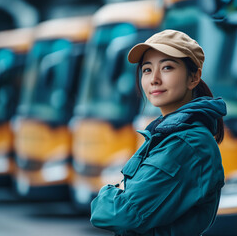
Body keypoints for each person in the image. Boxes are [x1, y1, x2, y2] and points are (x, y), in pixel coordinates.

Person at [90, 29, 227, 236]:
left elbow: (122, 214)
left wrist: (108, 193)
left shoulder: (186, 143)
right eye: (146, 70)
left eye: (167, 67)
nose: (154, 79)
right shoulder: (165, 135)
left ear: (194, 77)